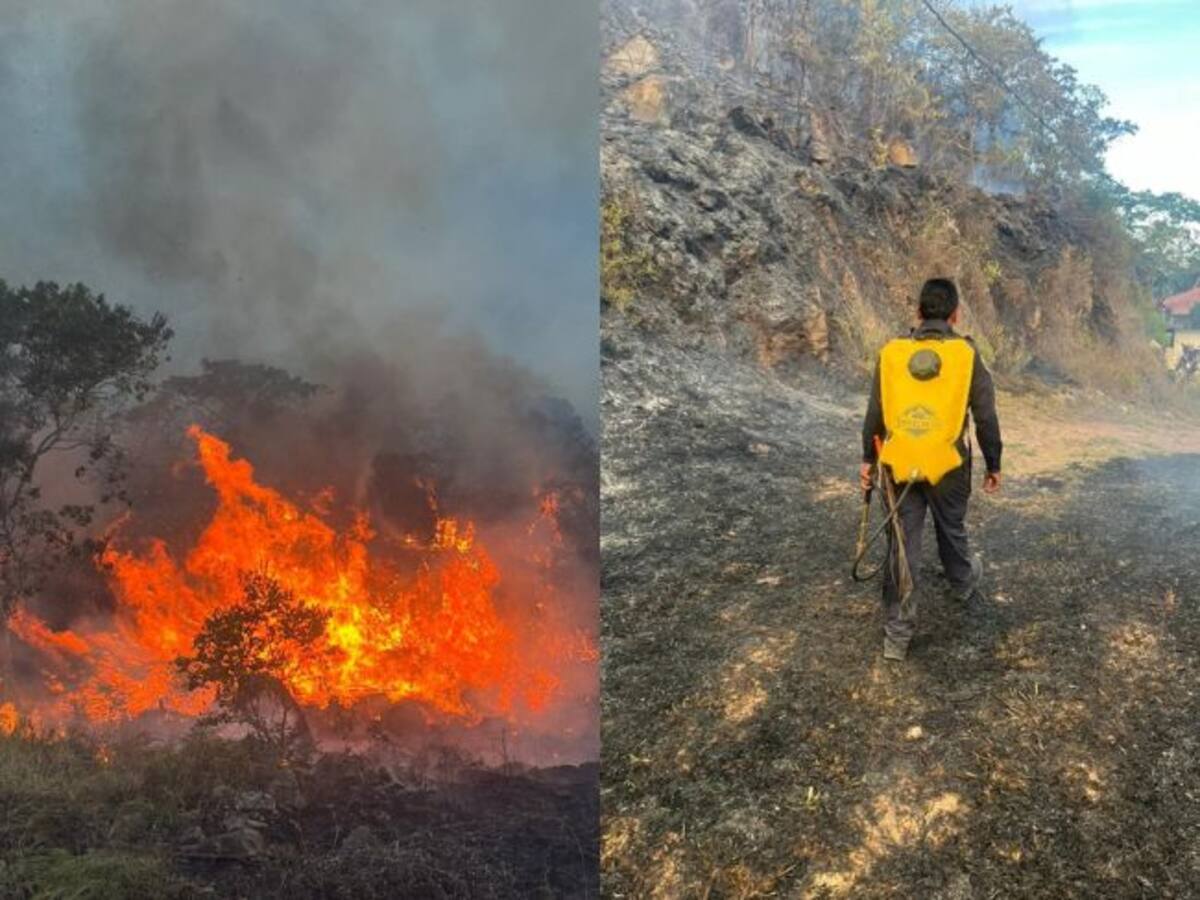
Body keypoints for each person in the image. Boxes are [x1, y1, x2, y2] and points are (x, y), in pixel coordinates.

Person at [860, 278, 1002, 661]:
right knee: (950, 527)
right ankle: (962, 582)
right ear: (955, 315)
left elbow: (875, 412)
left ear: (918, 312)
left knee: (902, 545)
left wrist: (867, 460)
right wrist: (993, 463)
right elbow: (986, 416)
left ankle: (897, 637)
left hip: (899, 464)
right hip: (948, 465)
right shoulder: (966, 355)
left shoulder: (891, 353)